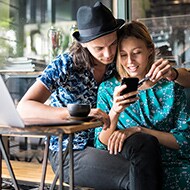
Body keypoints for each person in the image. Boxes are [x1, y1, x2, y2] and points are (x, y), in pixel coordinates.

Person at [94, 20, 190, 190]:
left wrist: (140, 130)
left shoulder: (172, 86)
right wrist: (114, 112)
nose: (130, 61)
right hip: (133, 167)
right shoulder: (108, 89)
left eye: (136, 52)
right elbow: (101, 144)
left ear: (150, 50)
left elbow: (185, 141)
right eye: (123, 55)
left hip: (175, 164)